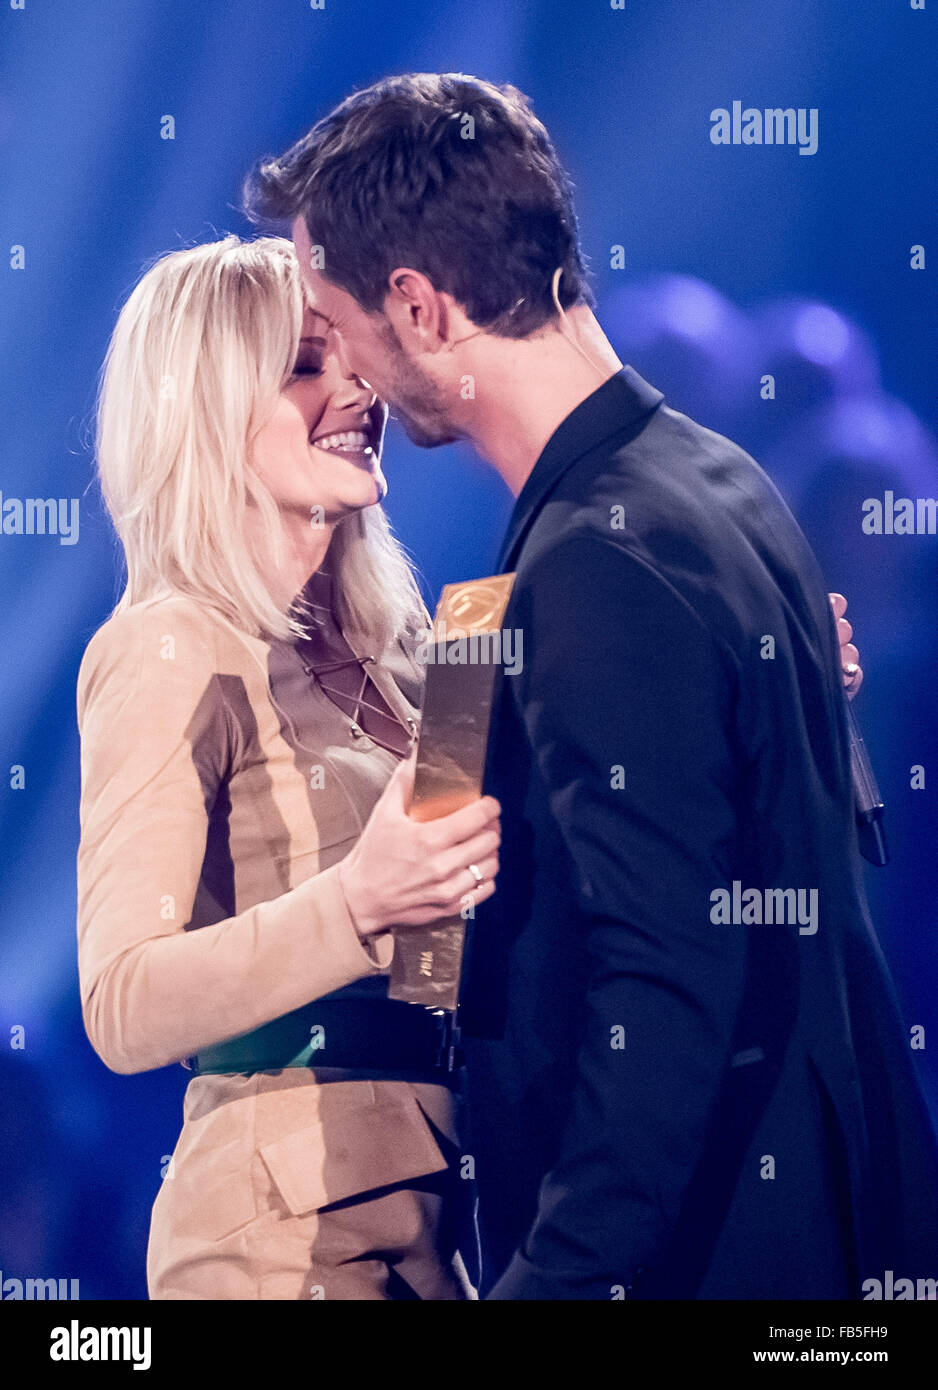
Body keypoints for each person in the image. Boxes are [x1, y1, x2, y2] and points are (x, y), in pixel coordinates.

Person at [246, 72, 938, 1299]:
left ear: (416, 303)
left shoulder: (599, 558)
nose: (343, 369)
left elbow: (663, 1000)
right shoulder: (708, 481)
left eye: (335, 321)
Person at [77, 234, 501, 1300]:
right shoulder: (166, 641)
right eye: (306, 365)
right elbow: (122, 1002)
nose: (359, 389)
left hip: (442, 1221)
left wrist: (755, 689)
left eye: (354, 356)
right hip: (272, 1240)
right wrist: (353, 902)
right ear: (204, 408)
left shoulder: (403, 646)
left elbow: (449, 944)